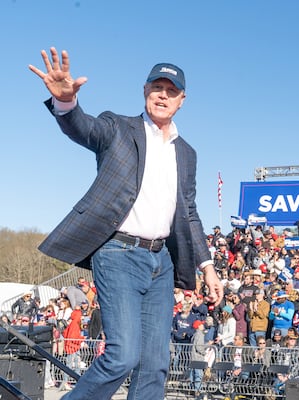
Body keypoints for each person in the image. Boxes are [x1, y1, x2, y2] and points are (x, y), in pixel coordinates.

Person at [29, 48, 224, 400]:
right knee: (122, 355)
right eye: (156, 88)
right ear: (145, 91)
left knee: (154, 362)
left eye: (171, 90)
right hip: (119, 253)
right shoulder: (118, 127)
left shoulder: (187, 153)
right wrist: (67, 104)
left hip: (161, 261)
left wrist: (207, 266)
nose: (163, 95)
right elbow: (84, 129)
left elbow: (190, 212)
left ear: (182, 100)